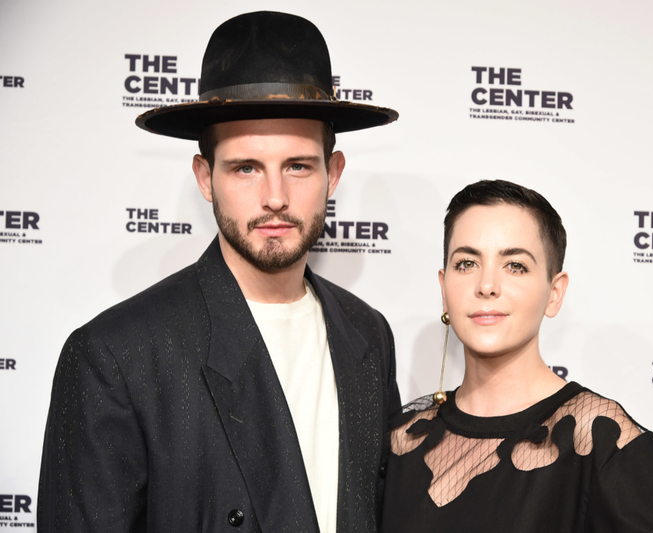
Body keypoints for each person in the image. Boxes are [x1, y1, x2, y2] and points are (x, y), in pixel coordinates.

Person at [38, 11, 400, 533]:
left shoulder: (367, 333)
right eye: (246, 168)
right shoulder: (115, 356)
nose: (275, 198)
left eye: (298, 165)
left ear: (333, 173)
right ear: (206, 177)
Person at [381, 180, 653, 532]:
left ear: (554, 294)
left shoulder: (596, 437)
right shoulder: (403, 440)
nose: (487, 285)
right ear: (444, 290)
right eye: (466, 263)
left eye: (515, 266)